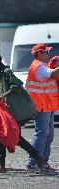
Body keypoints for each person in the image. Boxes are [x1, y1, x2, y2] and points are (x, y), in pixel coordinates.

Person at [0, 53, 44, 173]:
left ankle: (38, 159)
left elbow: (16, 86)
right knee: (2, 136)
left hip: (16, 112)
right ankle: (3, 165)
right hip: (10, 111)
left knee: (15, 138)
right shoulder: (1, 73)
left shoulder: (6, 72)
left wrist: (1, 96)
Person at [25, 43, 59, 172]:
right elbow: (54, 75)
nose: (48, 54)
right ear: (39, 54)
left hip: (47, 106)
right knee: (42, 134)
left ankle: (43, 161)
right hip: (41, 106)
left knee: (48, 135)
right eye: (46, 52)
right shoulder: (38, 67)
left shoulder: (42, 66)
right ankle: (32, 162)